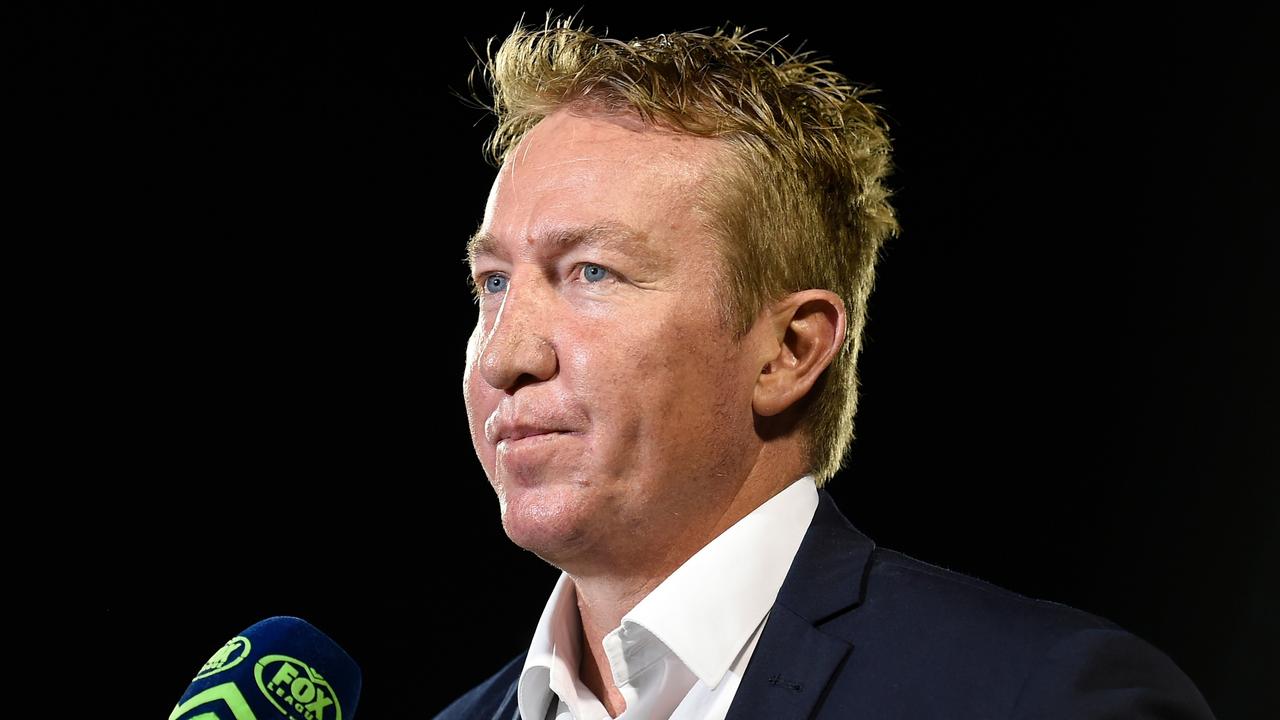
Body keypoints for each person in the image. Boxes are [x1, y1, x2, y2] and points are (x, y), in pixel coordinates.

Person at [437, 16, 1215, 720]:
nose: (507, 355)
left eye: (593, 271)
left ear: (789, 351)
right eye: (494, 282)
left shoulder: (1037, 697)